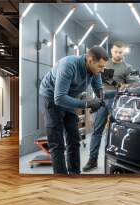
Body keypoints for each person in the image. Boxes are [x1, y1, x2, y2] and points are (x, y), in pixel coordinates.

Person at [39, 46, 108, 174]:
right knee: (57, 143)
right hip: (51, 97)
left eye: (104, 67)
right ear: (91, 60)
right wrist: (87, 103)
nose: (102, 70)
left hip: (68, 97)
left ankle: (75, 175)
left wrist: (101, 100)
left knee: (74, 139)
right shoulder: (68, 65)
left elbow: (98, 88)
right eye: (100, 66)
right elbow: (59, 98)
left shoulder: (95, 70)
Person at [83, 41, 135, 172]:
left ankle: (119, 162)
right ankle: (92, 160)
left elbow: (130, 86)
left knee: (118, 132)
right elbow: (96, 77)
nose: (118, 54)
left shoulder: (127, 67)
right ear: (112, 51)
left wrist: (122, 86)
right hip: (101, 99)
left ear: (124, 52)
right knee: (97, 131)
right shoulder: (104, 63)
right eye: (116, 51)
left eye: (120, 52)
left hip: (117, 101)